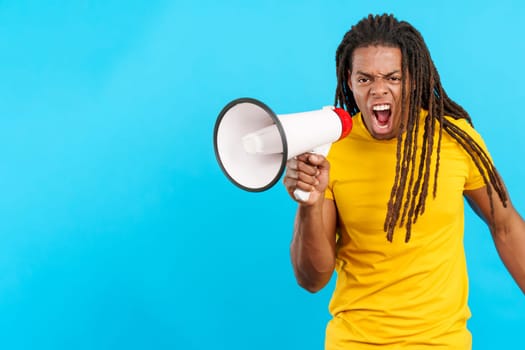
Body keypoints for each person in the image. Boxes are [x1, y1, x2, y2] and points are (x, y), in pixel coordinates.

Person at [283, 13, 525, 349]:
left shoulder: (454, 140)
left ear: (413, 79)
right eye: (365, 79)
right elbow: (312, 279)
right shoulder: (330, 151)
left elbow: (506, 226)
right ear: (349, 82)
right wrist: (308, 202)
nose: (378, 89)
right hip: (355, 342)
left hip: (442, 343)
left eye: (392, 78)